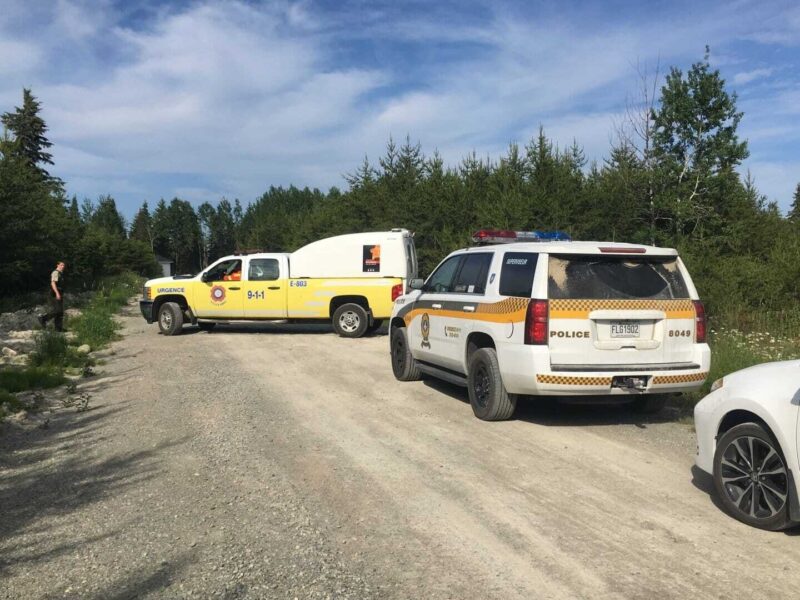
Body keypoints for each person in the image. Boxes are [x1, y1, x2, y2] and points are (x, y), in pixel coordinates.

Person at [39, 261, 66, 332]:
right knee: (57, 310)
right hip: (54, 293)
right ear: (57, 265)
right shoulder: (55, 272)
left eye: (63, 265)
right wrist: (57, 293)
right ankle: (43, 318)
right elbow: (53, 283)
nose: (63, 266)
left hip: (60, 292)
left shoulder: (61, 274)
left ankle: (58, 328)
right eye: (61, 265)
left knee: (60, 312)